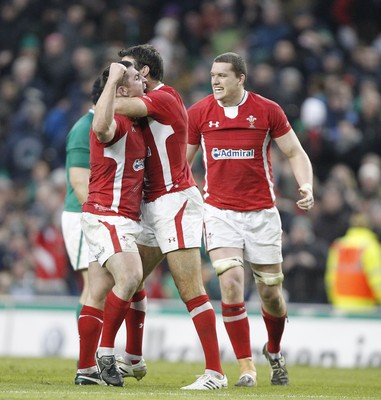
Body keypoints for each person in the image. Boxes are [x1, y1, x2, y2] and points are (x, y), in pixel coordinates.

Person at [186, 52, 314, 387]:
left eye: (223, 76)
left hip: (261, 215)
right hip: (219, 211)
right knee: (229, 283)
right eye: (213, 75)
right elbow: (182, 165)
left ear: (241, 78)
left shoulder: (267, 111)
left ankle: (273, 350)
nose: (215, 81)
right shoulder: (198, 113)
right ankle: (246, 368)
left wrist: (306, 185)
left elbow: (295, 152)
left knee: (270, 293)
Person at [115, 44, 227, 390]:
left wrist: (107, 87)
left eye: (129, 70)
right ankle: (133, 358)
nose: (124, 76)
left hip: (174, 200)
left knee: (189, 287)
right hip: (152, 204)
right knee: (131, 278)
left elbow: (114, 106)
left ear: (144, 73)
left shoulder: (164, 97)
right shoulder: (150, 101)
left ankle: (215, 374)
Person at [75, 61, 147, 387]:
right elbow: (101, 128)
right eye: (134, 78)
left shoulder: (135, 120)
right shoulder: (115, 120)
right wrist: (114, 77)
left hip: (122, 217)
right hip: (107, 214)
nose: (142, 81)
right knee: (131, 276)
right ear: (120, 88)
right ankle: (106, 353)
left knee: (100, 290)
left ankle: (85, 369)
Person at [61, 77, 102, 323]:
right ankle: (86, 354)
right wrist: (98, 216)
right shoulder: (83, 128)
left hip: (94, 214)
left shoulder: (100, 126)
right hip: (81, 214)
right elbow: (79, 183)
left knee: (101, 286)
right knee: (93, 284)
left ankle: (94, 352)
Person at [325, 211, 381, 312]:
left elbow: (330, 278)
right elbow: (377, 280)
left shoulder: (338, 245)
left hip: (340, 304)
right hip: (365, 306)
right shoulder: (370, 247)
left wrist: (333, 299)